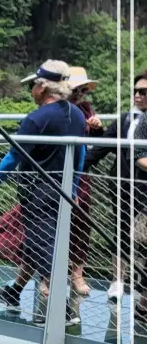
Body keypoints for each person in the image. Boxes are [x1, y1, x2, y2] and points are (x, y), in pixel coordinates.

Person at [0, 60, 86, 314]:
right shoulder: (76, 114)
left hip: (38, 192)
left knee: (42, 244)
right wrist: (73, 188)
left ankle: (61, 310)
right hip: (62, 190)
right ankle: (14, 291)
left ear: (43, 87)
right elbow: (80, 154)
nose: (31, 89)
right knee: (40, 241)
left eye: (33, 84)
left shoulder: (36, 119)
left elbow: (13, 157)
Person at [90, 70, 147, 318]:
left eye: (143, 92)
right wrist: (73, 165)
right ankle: (117, 283)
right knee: (121, 232)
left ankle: (143, 296)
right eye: (135, 90)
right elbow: (104, 146)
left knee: (143, 239)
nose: (137, 95)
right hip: (123, 184)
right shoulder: (125, 119)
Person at [65, 67, 104, 296]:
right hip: (58, 171)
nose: (80, 93)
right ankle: (47, 276)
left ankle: (77, 274)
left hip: (81, 173)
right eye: (75, 88)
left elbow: (99, 141)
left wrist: (98, 128)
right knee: (53, 222)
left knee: (81, 221)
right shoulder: (56, 108)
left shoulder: (86, 109)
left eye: (83, 89)